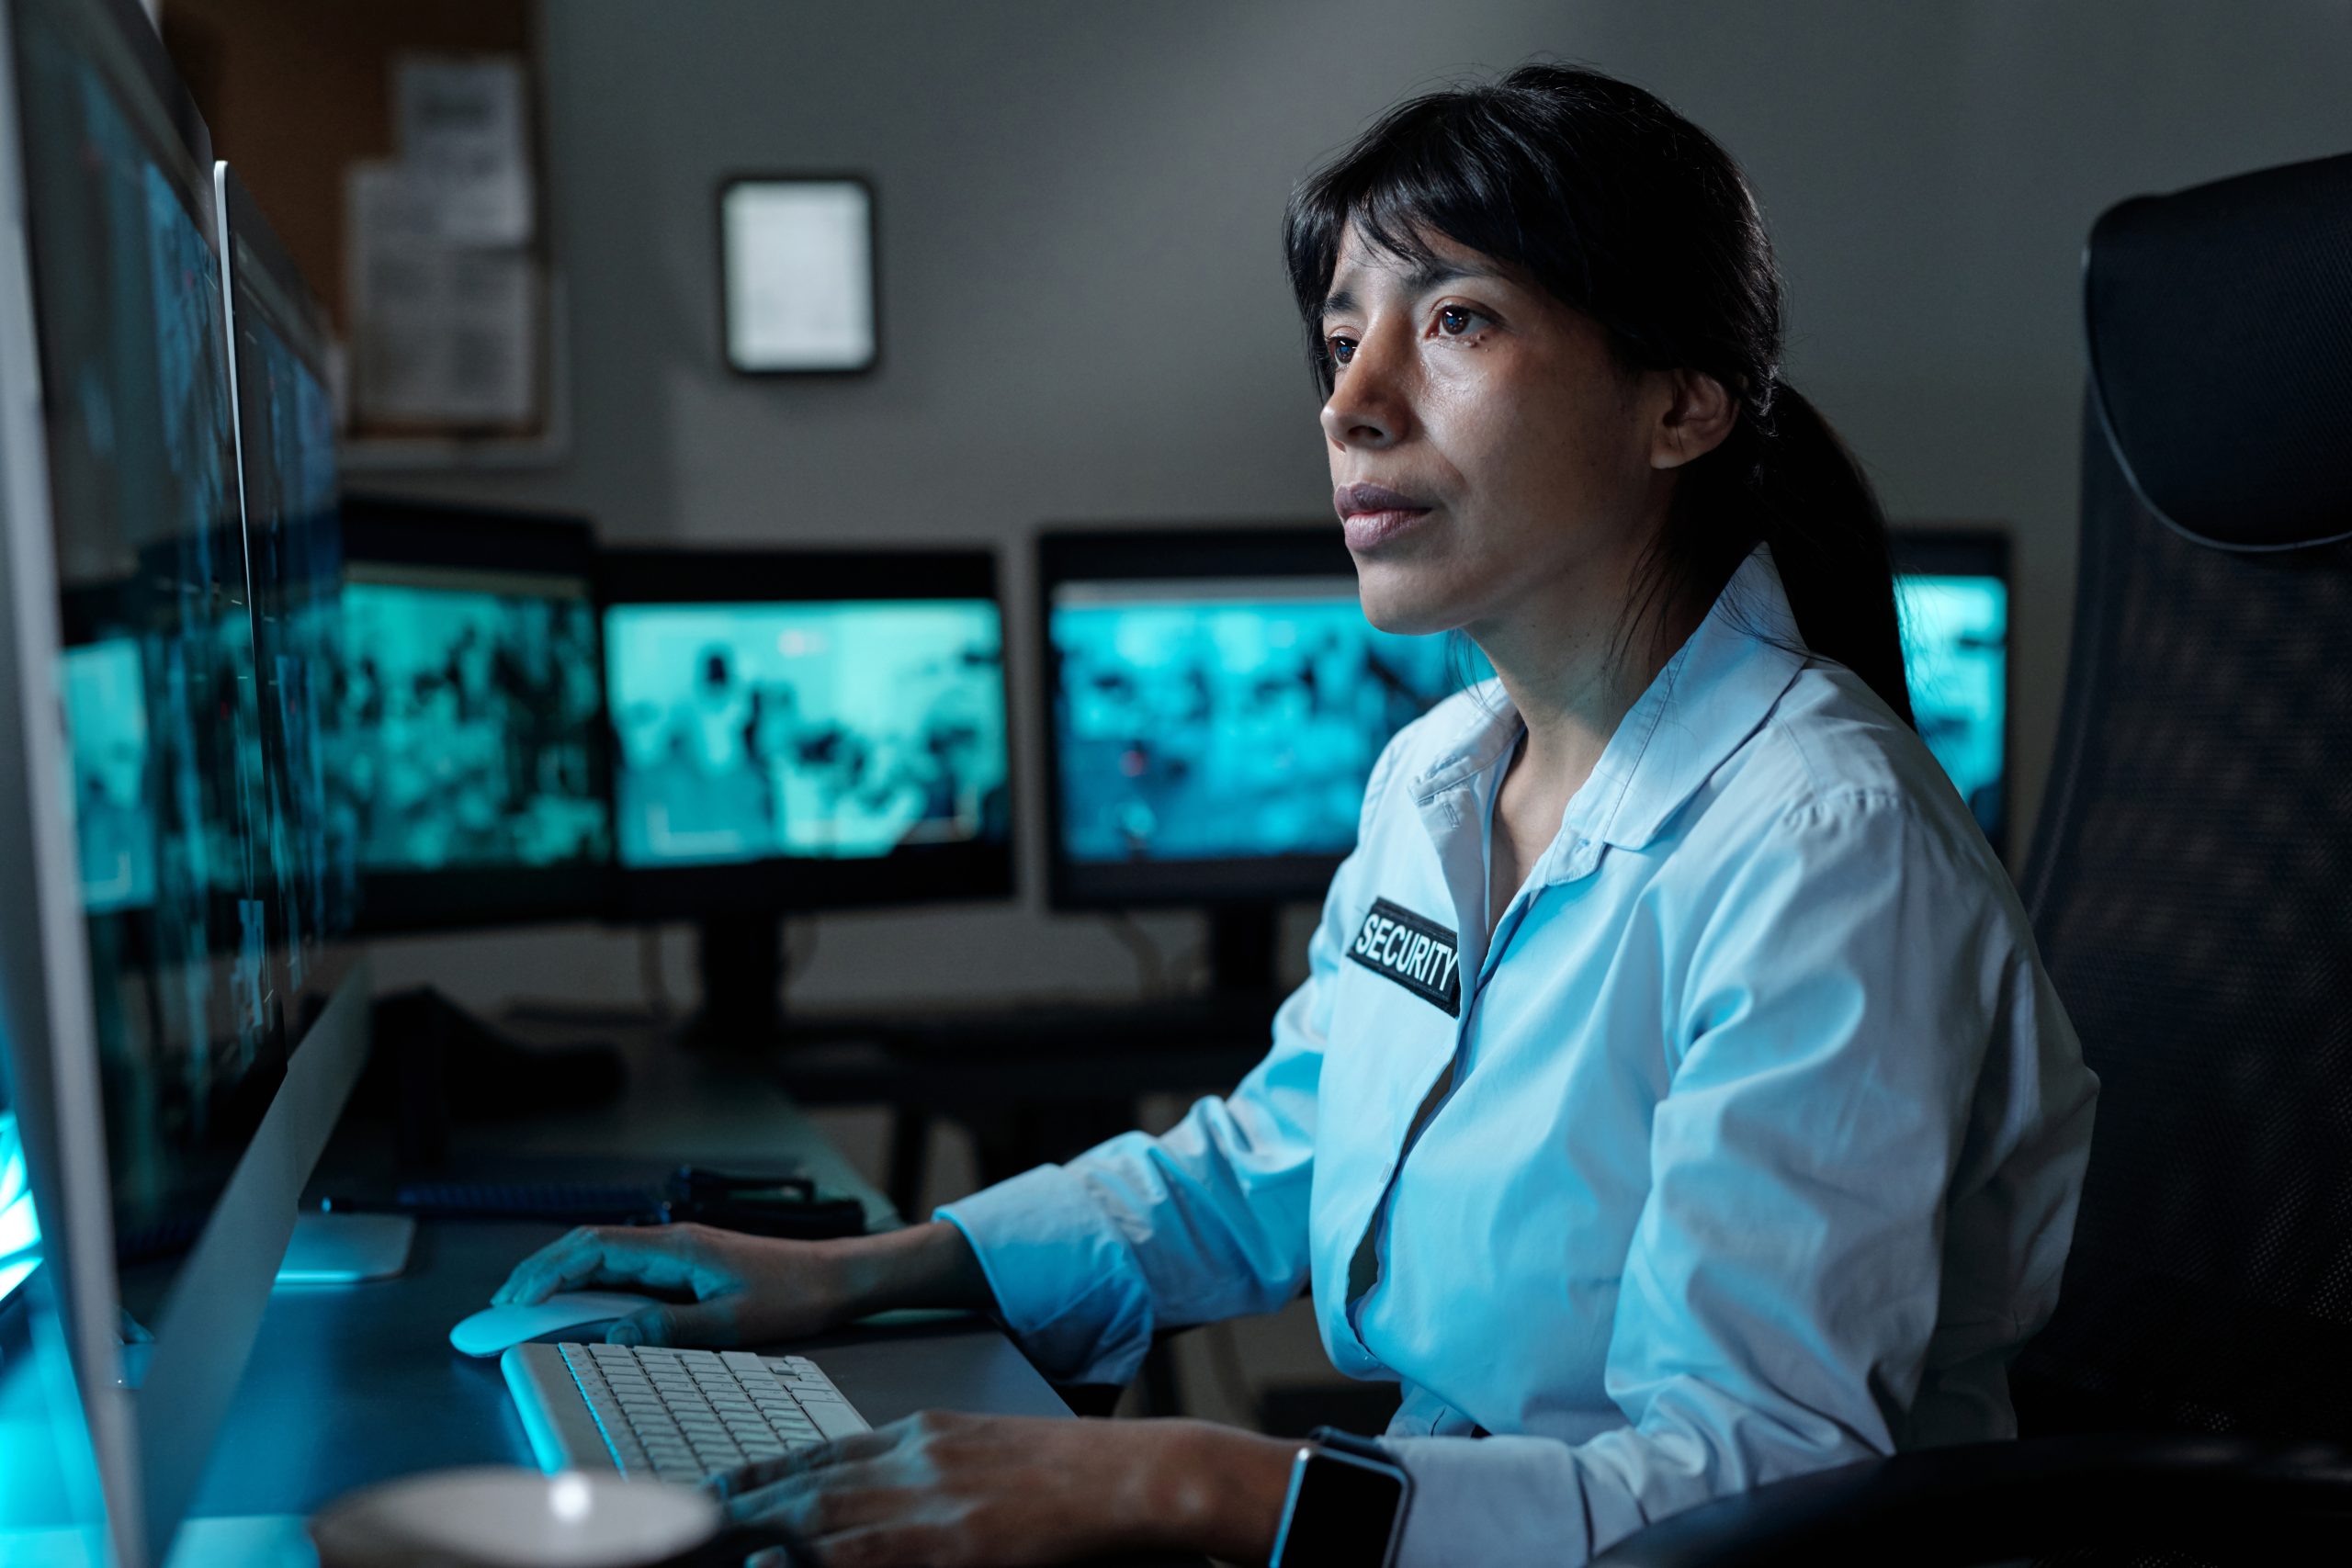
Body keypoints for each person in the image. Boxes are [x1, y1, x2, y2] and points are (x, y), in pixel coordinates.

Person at [492, 63, 2098, 1567]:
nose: (1353, 404)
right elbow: (1289, 1148)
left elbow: (1757, 1484)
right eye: (1342, 340)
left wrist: (1180, 1475)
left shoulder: (1824, 846)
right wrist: (859, 1270)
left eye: (1454, 319)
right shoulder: (1443, 776)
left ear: (1681, 407)